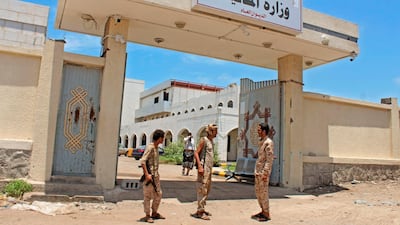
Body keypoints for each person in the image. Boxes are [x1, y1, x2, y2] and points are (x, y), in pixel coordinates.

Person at [191, 124, 218, 220]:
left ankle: (202, 208)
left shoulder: (211, 141)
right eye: (215, 131)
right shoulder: (204, 140)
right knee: (202, 189)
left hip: (209, 169)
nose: (216, 133)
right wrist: (199, 166)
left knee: (207, 189)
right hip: (203, 168)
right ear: (210, 131)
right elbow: (196, 153)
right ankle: (200, 211)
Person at [139, 129, 166, 223]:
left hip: (156, 176)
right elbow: (142, 161)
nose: (163, 140)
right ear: (159, 138)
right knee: (147, 196)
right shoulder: (150, 147)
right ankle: (147, 215)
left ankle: (154, 212)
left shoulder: (156, 148)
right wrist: (147, 175)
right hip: (149, 177)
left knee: (158, 194)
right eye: (163, 138)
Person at [251, 123, 274, 222]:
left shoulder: (268, 142)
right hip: (258, 172)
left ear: (264, 131)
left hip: (263, 173)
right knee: (258, 193)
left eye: (259, 130)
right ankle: (263, 211)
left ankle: (266, 213)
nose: (258, 131)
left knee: (263, 193)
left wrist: (265, 173)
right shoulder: (262, 142)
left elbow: (269, 160)